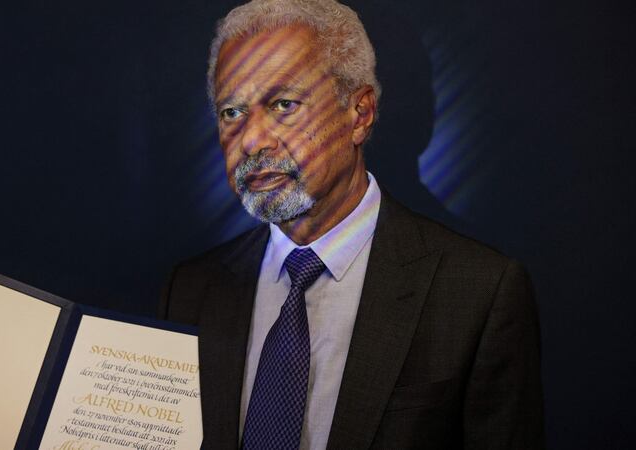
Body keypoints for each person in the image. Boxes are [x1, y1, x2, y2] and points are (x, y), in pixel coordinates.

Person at [159, 0, 544, 448]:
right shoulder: (190, 291)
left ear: (359, 114)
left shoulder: (479, 293)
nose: (251, 140)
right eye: (231, 112)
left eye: (283, 104)